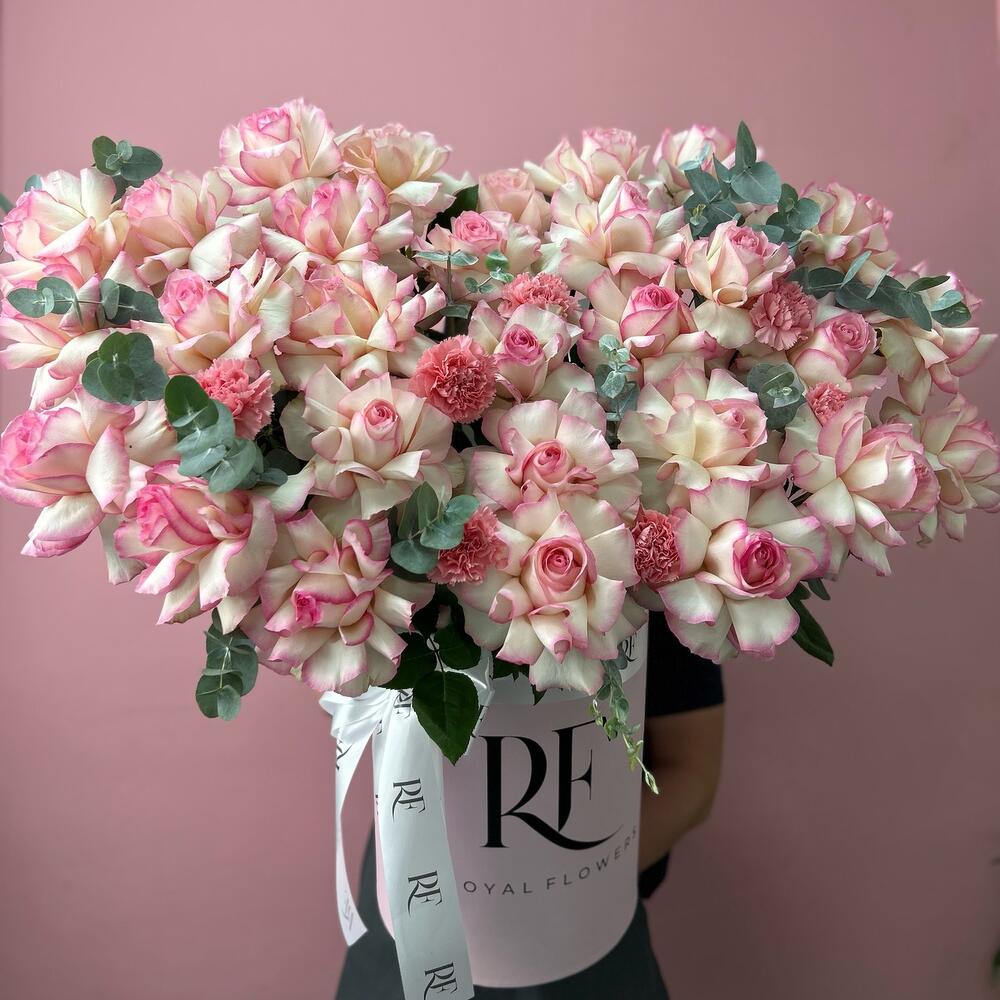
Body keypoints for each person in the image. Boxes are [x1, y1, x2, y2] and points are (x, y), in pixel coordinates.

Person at [336, 612, 725, 999]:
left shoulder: (654, 586)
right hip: (411, 882)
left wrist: (562, 883)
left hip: (582, 922)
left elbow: (692, 775)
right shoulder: (399, 588)